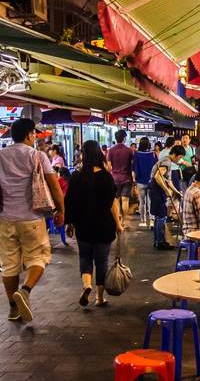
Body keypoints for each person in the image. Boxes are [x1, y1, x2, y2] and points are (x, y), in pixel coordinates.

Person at [0, 118, 65, 323]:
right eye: (34, 134)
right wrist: (61, 210)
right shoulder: (37, 156)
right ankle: (24, 291)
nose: (35, 137)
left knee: (9, 265)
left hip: (4, 218)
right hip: (31, 218)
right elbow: (54, 187)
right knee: (39, 258)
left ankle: (13, 308)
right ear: (28, 135)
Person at [65, 140, 123, 308]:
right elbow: (113, 202)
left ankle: (86, 284)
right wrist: (118, 223)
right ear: (99, 154)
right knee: (102, 260)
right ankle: (99, 297)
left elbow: (70, 201)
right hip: (103, 224)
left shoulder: (76, 176)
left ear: (84, 154)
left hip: (83, 224)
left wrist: (69, 223)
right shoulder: (106, 177)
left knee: (85, 257)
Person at [149, 145, 186, 250]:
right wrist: (166, 190)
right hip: (156, 188)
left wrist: (176, 192)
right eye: (179, 157)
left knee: (158, 215)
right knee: (161, 215)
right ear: (174, 154)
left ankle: (157, 241)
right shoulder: (167, 162)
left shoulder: (166, 161)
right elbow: (157, 176)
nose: (179, 160)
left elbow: (168, 181)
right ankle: (160, 242)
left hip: (156, 188)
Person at [107, 130, 135, 223]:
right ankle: (123, 221)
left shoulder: (110, 150)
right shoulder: (129, 151)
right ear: (124, 138)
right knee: (125, 201)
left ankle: (117, 222)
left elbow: (109, 166)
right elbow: (132, 165)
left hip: (115, 179)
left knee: (116, 200)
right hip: (127, 178)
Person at [133, 137, 158, 228]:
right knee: (150, 201)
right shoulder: (153, 154)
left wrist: (135, 179)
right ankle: (151, 220)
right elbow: (156, 167)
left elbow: (134, 167)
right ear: (148, 144)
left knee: (142, 202)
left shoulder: (136, 154)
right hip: (151, 181)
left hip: (140, 181)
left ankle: (143, 221)